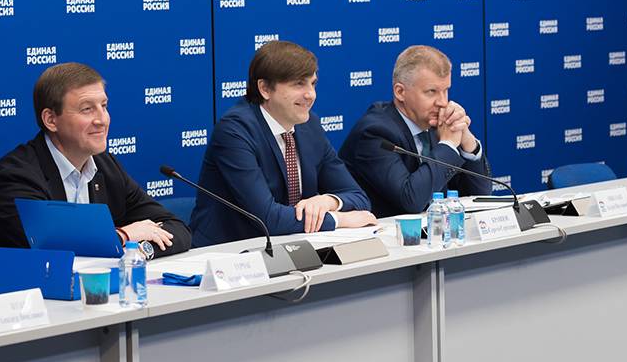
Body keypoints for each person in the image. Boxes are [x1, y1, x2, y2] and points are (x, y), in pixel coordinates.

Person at [0, 62, 192, 284]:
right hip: (10, 303)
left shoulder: (105, 166)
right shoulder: (15, 176)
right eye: (87, 109)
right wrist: (124, 236)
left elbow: (176, 228)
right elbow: (51, 255)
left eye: (104, 106)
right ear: (51, 120)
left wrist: (140, 251)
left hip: (85, 299)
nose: (102, 120)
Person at [189, 41, 374, 246]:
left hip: (292, 248)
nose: (311, 94)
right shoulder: (235, 130)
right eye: (299, 84)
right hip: (228, 253)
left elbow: (359, 197)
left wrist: (328, 201)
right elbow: (268, 219)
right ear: (265, 89)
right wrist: (338, 219)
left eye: (313, 83)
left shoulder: (309, 126)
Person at [338, 45, 491, 217]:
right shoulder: (374, 133)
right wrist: (448, 145)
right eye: (431, 92)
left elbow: (479, 196)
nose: (442, 102)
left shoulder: (436, 126)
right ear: (400, 92)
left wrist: (467, 140)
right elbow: (411, 200)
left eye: (446, 90)